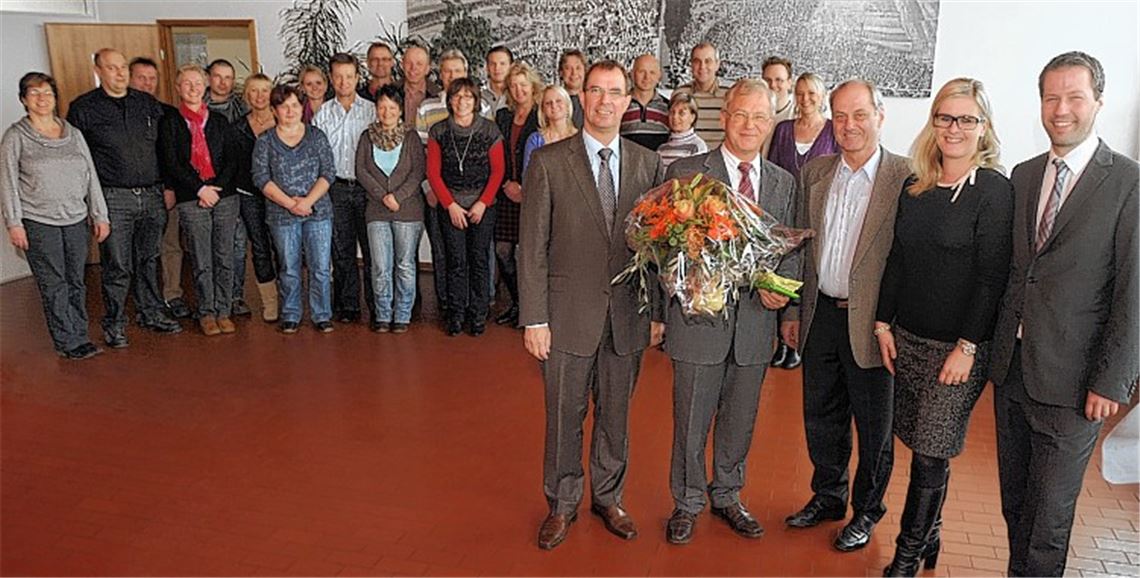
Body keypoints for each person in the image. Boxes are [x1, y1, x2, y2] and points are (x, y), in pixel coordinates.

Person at [990, 51, 1138, 578]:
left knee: (1048, 522)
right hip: (1012, 371)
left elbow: (1133, 291)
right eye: (1051, 96)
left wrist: (1113, 381)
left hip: (1077, 386)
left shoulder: (1127, 182)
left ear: (1098, 101)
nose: (1061, 108)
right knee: (1016, 506)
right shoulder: (1025, 174)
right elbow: (1017, 271)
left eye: (1075, 96)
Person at [519, 60, 665, 550]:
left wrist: (658, 315)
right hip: (565, 318)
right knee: (564, 414)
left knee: (616, 414)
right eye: (596, 91)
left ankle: (608, 496)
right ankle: (561, 503)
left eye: (615, 92)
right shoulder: (549, 162)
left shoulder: (649, 165)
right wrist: (535, 318)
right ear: (582, 97)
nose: (605, 100)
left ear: (629, 101)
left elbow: (656, 251)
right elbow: (532, 247)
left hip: (627, 318)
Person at [875, 78, 1013, 576]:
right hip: (907, 339)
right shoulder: (916, 186)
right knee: (919, 442)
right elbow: (897, 260)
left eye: (966, 119)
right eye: (945, 118)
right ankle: (930, 534)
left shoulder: (994, 191)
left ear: (984, 128)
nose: (954, 129)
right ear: (933, 123)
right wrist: (882, 324)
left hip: (957, 350)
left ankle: (907, 555)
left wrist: (968, 347)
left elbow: (992, 277)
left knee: (932, 453)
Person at [661, 79, 798, 545]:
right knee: (691, 418)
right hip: (698, 324)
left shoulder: (783, 182)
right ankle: (687, 501)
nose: (749, 125)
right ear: (724, 116)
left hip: (756, 327)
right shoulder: (687, 172)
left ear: (771, 123)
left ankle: (727, 493)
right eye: (741, 114)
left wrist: (784, 298)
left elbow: (788, 249)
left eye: (760, 117)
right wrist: (686, 286)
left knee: (740, 418)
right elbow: (663, 249)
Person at [782, 78, 911, 553]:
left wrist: (896, 324)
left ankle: (866, 512)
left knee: (874, 428)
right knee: (823, 416)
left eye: (860, 114)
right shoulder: (815, 173)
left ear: (881, 115)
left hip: (875, 326)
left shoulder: (907, 177)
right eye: (839, 116)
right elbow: (798, 246)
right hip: (820, 319)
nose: (849, 125)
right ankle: (828, 496)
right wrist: (792, 310)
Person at [68, 48, 182, 347]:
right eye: (112, 68)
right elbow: (78, 160)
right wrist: (92, 204)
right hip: (113, 198)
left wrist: (168, 185)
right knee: (117, 264)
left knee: (149, 259)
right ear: (98, 70)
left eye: (122, 68)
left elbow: (164, 150)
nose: (119, 73)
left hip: (152, 195)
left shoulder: (146, 104)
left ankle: (151, 312)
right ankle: (116, 322)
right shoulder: (83, 108)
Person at [1, 72, 110, 359]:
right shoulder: (15, 137)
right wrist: (14, 223)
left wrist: (100, 214)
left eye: (47, 93)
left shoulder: (73, 133)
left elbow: (90, 176)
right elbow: (8, 182)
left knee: (76, 280)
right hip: (38, 222)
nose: (42, 98)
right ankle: (67, 341)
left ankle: (80, 335)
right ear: (24, 99)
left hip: (75, 218)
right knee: (54, 283)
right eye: (34, 93)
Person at [158, 64, 241, 336]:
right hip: (190, 198)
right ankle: (206, 312)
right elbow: (172, 163)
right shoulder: (170, 123)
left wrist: (216, 189)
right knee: (201, 257)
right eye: (187, 83)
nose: (193, 88)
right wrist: (199, 189)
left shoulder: (218, 122)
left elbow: (232, 159)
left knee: (224, 255)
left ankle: (224, 310)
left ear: (205, 87)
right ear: (178, 88)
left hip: (224, 196)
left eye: (197, 83)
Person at [766, 72, 838, 370]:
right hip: (786, 212)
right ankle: (782, 342)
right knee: (784, 269)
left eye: (812, 93)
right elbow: (770, 168)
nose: (806, 99)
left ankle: (799, 340)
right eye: (801, 93)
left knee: (810, 274)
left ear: (822, 97)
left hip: (821, 214)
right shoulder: (783, 129)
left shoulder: (834, 130)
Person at [252, 85, 336, 334]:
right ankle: (290, 313)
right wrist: (291, 204)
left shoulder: (316, 136)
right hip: (281, 214)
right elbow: (260, 178)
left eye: (295, 105)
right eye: (283, 105)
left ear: (303, 108)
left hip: (318, 211)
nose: (290, 110)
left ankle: (322, 314)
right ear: (275, 110)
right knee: (289, 266)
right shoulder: (265, 140)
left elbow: (328, 172)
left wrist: (308, 202)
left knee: (320, 266)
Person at [425, 78, 504, 337]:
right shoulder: (439, 131)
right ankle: (456, 313)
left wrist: (482, 203)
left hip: (484, 205)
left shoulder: (490, 131)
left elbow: (498, 172)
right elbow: (433, 174)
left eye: (468, 97)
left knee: (479, 259)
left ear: (476, 101)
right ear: (449, 101)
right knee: (455, 260)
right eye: (457, 97)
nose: (462, 102)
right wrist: (450, 205)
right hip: (451, 207)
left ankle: (478, 314)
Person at [314, 53, 378, 325]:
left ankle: (377, 306)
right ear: (331, 78)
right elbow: (317, 156)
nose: (344, 81)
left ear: (357, 77)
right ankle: (349, 306)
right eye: (338, 76)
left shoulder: (372, 110)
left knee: (373, 249)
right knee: (342, 250)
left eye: (349, 76)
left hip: (367, 188)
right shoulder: (323, 114)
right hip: (336, 188)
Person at [356, 84, 426, 334]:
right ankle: (383, 314)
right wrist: (382, 196)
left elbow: (418, 172)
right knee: (379, 266)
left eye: (392, 107)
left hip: (408, 211)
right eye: (382, 107)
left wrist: (397, 196)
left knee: (405, 265)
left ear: (400, 110)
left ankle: (403, 315)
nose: (386, 112)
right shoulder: (367, 136)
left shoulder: (411, 137)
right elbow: (361, 170)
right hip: (376, 211)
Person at [129, 57, 191, 321]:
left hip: (164, 190)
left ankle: (171, 294)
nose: (147, 83)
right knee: (137, 250)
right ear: (130, 79)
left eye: (152, 78)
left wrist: (169, 186)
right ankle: (144, 301)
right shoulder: (121, 114)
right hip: (128, 194)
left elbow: (174, 156)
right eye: (141, 77)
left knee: (170, 245)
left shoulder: (168, 114)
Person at [492, 61, 542, 329]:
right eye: (513, 86)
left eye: (523, 85)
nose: (519, 90)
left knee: (529, 256)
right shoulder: (502, 117)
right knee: (502, 251)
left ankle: (530, 309)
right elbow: (495, 156)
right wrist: (506, 186)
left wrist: (525, 189)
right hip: (505, 193)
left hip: (531, 195)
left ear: (532, 86)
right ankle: (517, 302)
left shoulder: (541, 115)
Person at [231, 73, 279, 323]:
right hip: (250, 196)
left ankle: (288, 297)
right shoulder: (237, 128)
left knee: (283, 248)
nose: (259, 96)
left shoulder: (284, 122)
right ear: (246, 95)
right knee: (260, 248)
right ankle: (270, 303)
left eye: (264, 90)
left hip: (281, 197)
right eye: (254, 91)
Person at [674, 42, 729, 148]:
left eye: (708, 61)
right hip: (688, 160)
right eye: (697, 61)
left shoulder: (730, 93)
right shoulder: (680, 94)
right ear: (691, 65)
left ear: (717, 64)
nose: (702, 66)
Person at [522, 84, 578, 172]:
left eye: (558, 101)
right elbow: (528, 177)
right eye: (548, 103)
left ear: (567, 106)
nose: (554, 106)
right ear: (543, 110)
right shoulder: (535, 140)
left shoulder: (582, 138)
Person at [619, 54, 669, 151]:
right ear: (632, 74)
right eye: (641, 71)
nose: (647, 77)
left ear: (659, 76)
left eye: (652, 72)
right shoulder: (621, 104)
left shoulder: (668, 107)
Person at [657, 92, 708, 169]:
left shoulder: (697, 146)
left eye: (681, 113)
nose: (675, 117)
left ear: (692, 117)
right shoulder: (661, 149)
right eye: (672, 112)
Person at [761, 56, 796, 157]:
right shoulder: (753, 113)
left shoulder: (797, 117)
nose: (772, 85)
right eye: (767, 80)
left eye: (779, 80)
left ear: (789, 83)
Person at [397, 44, 440, 125]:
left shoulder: (438, 96)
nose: (413, 68)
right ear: (402, 66)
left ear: (427, 69)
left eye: (419, 64)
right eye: (409, 63)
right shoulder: (390, 92)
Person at [205, 59, 249, 125]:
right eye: (218, 76)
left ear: (233, 81)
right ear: (208, 78)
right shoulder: (196, 104)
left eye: (227, 77)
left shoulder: (242, 108)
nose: (223, 82)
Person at [558, 49, 587, 129]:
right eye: (568, 68)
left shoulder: (593, 99)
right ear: (561, 72)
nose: (574, 73)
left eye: (578, 68)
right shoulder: (555, 102)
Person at [483, 45, 513, 113]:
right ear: (487, 68)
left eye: (502, 64)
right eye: (493, 64)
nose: (497, 68)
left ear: (511, 66)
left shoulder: (519, 95)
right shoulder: (478, 96)